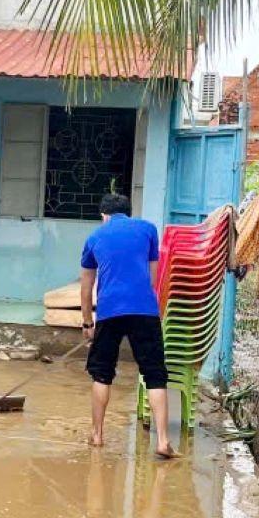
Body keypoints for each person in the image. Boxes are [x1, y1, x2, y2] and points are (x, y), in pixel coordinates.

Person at [78, 192, 176, 458]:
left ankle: (97, 435)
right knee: (155, 374)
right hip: (144, 310)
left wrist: (87, 323)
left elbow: (86, 287)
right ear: (128, 212)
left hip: (109, 311)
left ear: (104, 215)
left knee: (102, 373)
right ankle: (163, 441)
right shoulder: (148, 229)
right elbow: (153, 277)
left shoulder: (94, 238)